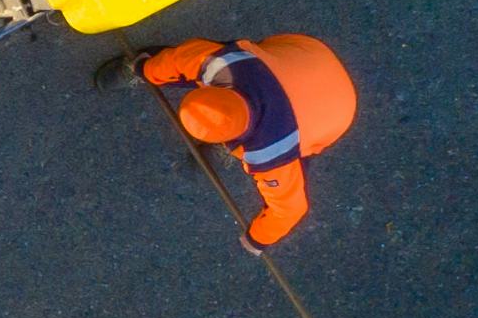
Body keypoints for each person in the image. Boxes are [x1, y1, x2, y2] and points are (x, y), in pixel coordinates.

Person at [135, 32, 358, 248]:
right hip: (307, 52)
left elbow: (291, 209)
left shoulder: (271, 155)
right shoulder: (220, 62)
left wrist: (143, 69)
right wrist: (256, 239)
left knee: (297, 157)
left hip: (338, 111)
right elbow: (178, 58)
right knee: (208, 58)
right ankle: (227, 145)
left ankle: (140, 65)